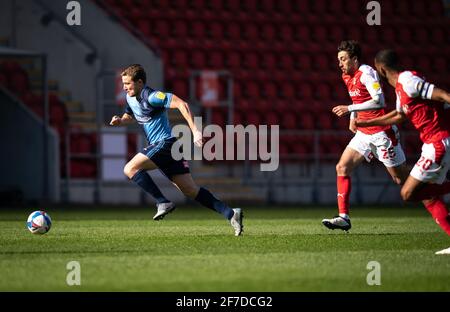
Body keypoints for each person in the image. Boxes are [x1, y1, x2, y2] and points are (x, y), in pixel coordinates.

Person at [109, 64, 243, 236]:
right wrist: (120, 120)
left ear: (140, 82)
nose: (124, 87)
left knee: (130, 168)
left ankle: (162, 202)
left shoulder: (151, 96)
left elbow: (182, 104)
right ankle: (231, 214)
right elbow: (130, 115)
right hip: (170, 149)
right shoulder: (130, 97)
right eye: (123, 83)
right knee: (190, 190)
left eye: (127, 83)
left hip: (164, 143)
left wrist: (195, 130)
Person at [355, 49, 450, 255]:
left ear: (381, 69)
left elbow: (442, 94)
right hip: (432, 143)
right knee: (429, 198)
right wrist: (366, 121)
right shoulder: (400, 89)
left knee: (408, 193)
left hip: (438, 142)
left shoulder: (408, 80)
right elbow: (398, 116)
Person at [322, 40, 408, 231]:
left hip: (382, 133)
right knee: (342, 167)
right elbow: (357, 98)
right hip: (363, 132)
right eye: (339, 60)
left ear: (354, 59)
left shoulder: (367, 73)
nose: (340, 63)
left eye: (343, 59)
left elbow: (379, 101)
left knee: (401, 181)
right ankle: (344, 217)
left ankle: (437, 181)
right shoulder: (347, 76)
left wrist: (349, 109)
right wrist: (353, 116)